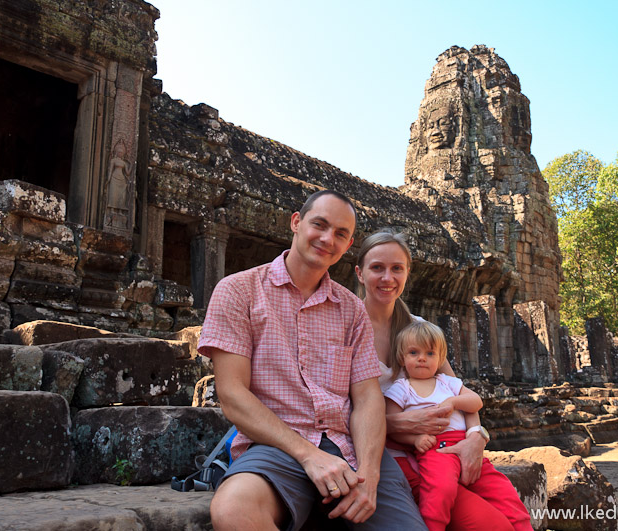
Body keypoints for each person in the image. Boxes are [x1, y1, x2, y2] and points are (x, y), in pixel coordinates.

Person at [198, 190, 427, 531]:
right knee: (234, 510)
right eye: (319, 224)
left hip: (348, 447)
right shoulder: (238, 290)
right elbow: (232, 393)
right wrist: (309, 455)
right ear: (296, 222)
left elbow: (366, 397)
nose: (326, 238)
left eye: (340, 234)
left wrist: (369, 473)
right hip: (276, 445)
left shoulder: (351, 309)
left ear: (348, 245)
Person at [355, 230, 529, 530]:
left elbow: (459, 393)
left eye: (397, 268)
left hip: (449, 450)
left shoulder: (421, 331)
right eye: (377, 268)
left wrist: (477, 437)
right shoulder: (346, 327)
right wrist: (401, 426)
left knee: (515, 516)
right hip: (393, 457)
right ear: (359, 273)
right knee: (492, 525)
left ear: (408, 272)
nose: (388, 277)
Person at [385, 321, 533, 531]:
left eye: (429, 353)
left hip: (464, 442)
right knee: (439, 490)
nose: (421, 358)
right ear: (402, 358)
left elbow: (476, 402)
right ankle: (433, 527)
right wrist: (415, 440)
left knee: (502, 490)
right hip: (436, 450)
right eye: (413, 352)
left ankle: (524, 526)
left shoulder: (448, 383)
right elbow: (391, 424)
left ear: (440, 359)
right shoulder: (402, 388)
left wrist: (454, 401)